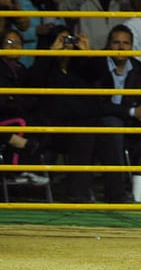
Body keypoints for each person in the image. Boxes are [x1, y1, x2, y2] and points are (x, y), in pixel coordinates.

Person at [87, 24, 141, 203]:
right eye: (116, 43)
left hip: (130, 119)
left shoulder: (138, 67)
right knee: (113, 126)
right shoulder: (97, 65)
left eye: (126, 43)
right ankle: (117, 190)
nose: (121, 47)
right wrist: (131, 111)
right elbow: (97, 104)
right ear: (108, 44)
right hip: (105, 118)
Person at [28, 27, 100, 202]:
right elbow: (32, 81)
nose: (66, 44)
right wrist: (50, 53)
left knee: (90, 131)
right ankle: (78, 193)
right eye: (61, 40)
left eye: (69, 40)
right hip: (51, 128)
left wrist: (88, 54)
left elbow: (101, 79)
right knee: (83, 132)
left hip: (80, 126)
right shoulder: (45, 67)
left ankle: (80, 194)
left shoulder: (80, 68)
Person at [0, 28, 44, 181]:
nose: (14, 46)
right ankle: (15, 171)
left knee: (37, 119)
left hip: (15, 114)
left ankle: (29, 167)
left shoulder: (22, 70)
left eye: (18, 43)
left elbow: (29, 98)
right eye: (9, 43)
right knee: (21, 122)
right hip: (5, 116)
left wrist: (15, 99)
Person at [15, 0, 65, 67]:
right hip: (26, 61)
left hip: (51, 61)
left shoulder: (52, 5)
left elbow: (63, 30)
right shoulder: (18, 5)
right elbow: (12, 33)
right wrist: (35, 31)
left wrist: (55, 31)